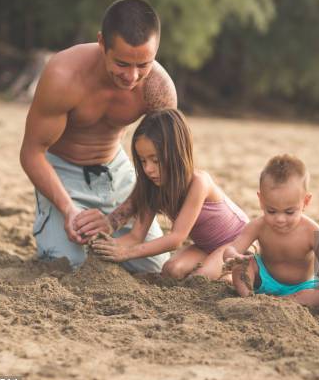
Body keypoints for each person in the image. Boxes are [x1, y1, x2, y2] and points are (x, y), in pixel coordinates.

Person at [20, 0, 176, 273]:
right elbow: (32, 153)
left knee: (153, 269)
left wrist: (115, 221)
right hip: (62, 172)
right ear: (102, 43)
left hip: (116, 170)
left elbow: (164, 167)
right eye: (122, 63)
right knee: (68, 265)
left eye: (144, 64)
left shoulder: (158, 90)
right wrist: (68, 210)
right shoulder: (63, 75)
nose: (132, 76)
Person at [89, 109, 249, 280]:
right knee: (171, 270)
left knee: (201, 278)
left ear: (176, 154)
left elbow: (176, 239)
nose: (148, 169)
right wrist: (106, 247)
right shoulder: (153, 186)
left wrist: (127, 253)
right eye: (143, 161)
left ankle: (246, 271)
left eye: (156, 160)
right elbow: (136, 236)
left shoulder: (199, 182)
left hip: (238, 242)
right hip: (205, 246)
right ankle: (221, 268)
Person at [223, 154, 319, 316]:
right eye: (271, 211)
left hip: (302, 287)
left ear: (306, 202)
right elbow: (232, 248)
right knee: (242, 267)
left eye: (289, 212)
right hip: (264, 279)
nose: (280, 219)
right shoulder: (258, 225)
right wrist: (233, 257)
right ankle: (249, 299)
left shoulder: (313, 232)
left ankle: (281, 301)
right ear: (261, 200)